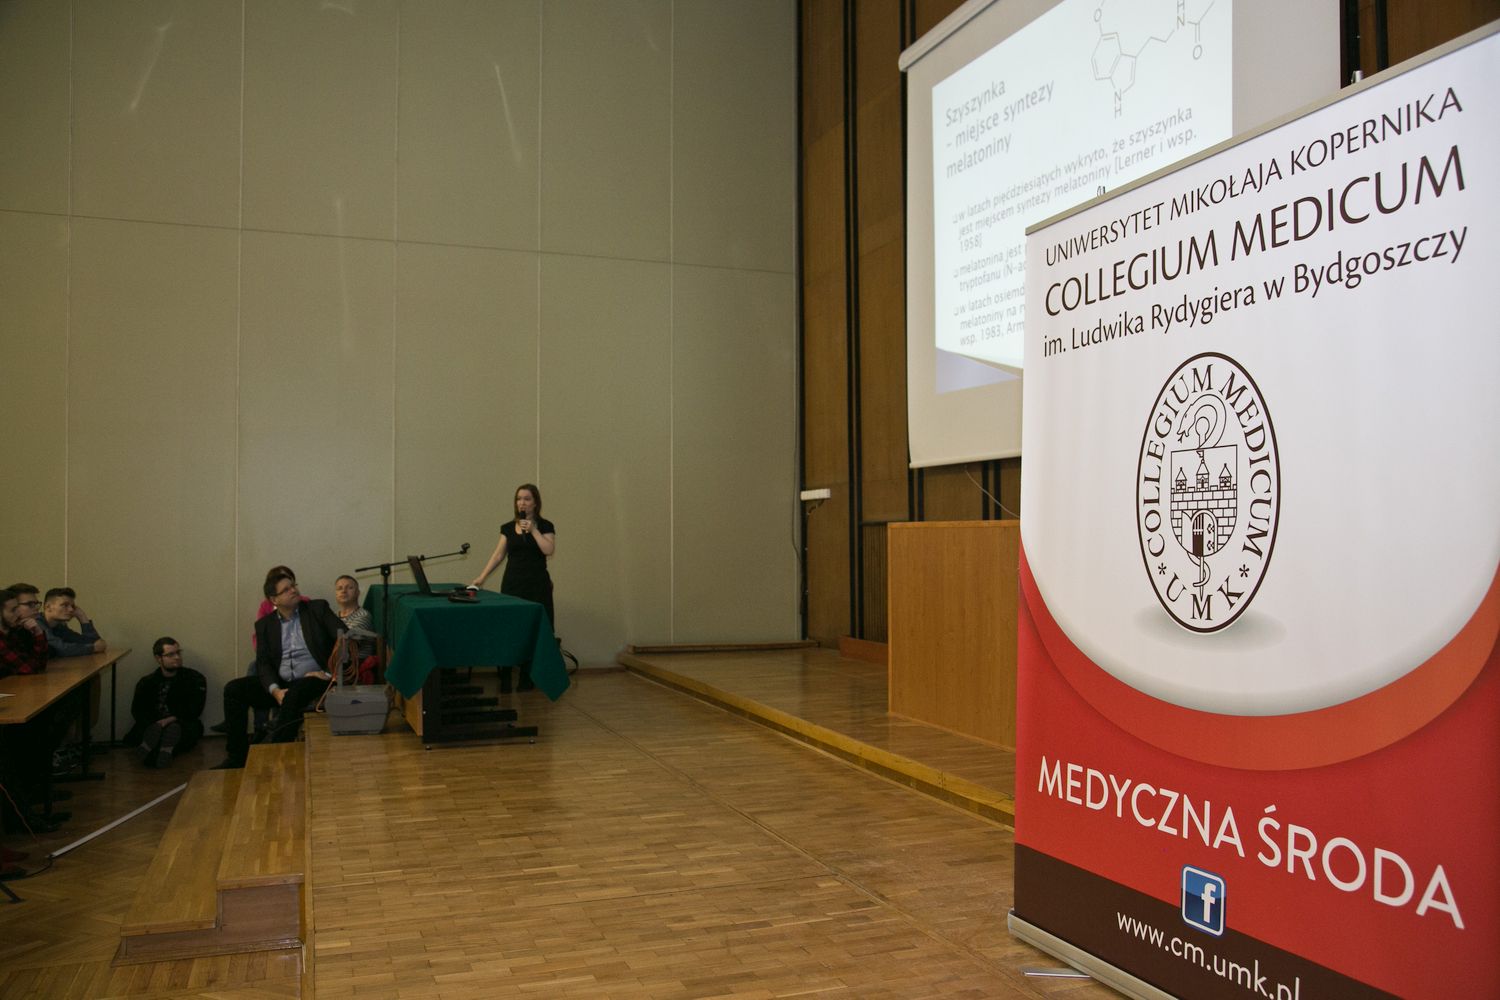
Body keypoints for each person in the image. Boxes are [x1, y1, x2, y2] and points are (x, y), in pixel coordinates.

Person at [214, 571, 345, 769]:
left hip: (315, 678)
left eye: (293, 586)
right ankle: (237, 757)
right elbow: (263, 663)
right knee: (234, 689)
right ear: (274, 599)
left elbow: (345, 639)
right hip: (282, 683)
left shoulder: (317, 609)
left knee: (295, 694)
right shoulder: (265, 625)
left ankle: (275, 752)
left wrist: (328, 673)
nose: (293, 590)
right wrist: (275, 690)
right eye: (286, 589)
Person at [470, 483, 557, 691]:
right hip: (513, 583)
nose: (522, 503)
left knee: (534, 630)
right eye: (519, 499)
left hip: (537, 584)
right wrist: (482, 576)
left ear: (535, 503)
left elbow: (548, 549)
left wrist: (533, 530)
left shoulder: (545, 526)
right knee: (510, 629)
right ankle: (506, 677)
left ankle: (527, 678)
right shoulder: (508, 528)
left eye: (527, 498)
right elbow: (498, 555)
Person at [123, 637, 207, 767]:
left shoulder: (194, 679)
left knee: (178, 730)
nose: (177, 657)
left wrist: (169, 720)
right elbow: (138, 711)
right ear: (158, 658)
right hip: (153, 723)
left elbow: (195, 709)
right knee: (151, 732)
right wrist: (156, 724)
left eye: (178, 652)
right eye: (171, 654)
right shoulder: (146, 682)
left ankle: (158, 750)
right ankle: (160, 749)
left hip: (181, 722)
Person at [333, 574, 378, 682]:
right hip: (336, 666)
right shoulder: (334, 617)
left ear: (358, 593)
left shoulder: (363, 615)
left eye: (349, 588)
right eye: (339, 588)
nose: (343, 591)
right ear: (336, 594)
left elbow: (347, 643)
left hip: (353, 669)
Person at [40, 587, 107, 658]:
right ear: (48, 607)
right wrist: (93, 648)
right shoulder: (37, 624)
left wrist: (82, 617)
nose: (71, 609)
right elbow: (61, 649)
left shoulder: (59, 627)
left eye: (72, 606)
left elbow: (95, 642)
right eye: (65, 605)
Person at [0, 586, 47, 677]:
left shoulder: (14, 633)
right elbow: (29, 669)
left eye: (17, 609)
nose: (18, 613)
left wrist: (38, 633)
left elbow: (41, 664)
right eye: (13, 610)